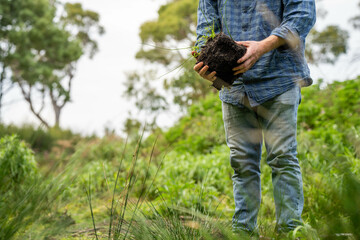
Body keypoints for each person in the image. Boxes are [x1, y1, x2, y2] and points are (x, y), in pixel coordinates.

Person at [193, 0, 316, 235]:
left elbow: (302, 15)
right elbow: (206, 29)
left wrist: (262, 47)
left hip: (279, 79)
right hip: (234, 87)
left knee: (283, 157)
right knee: (242, 163)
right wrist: (204, 61)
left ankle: (290, 230)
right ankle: (243, 231)